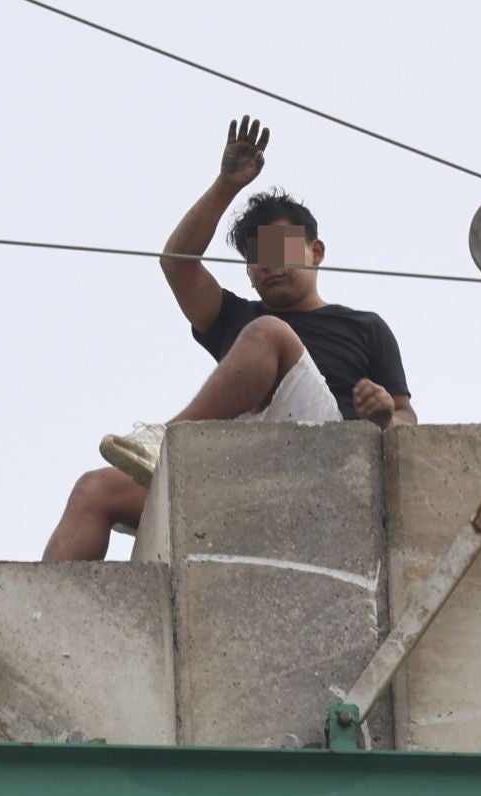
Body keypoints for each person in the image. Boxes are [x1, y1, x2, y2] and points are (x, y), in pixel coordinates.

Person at [42, 116, 416, 562]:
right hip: (243, 463)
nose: (270, 264)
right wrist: (226, 185)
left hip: (326, 460)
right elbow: (177, 263)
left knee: (270, 333)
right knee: (94, 489)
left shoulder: (363, 327)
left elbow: (407, 421)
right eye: (257, 256)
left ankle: (168, 441)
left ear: (315, 252)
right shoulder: (236, 316)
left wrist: (385, 416)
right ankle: (37, 626)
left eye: (281, 248)